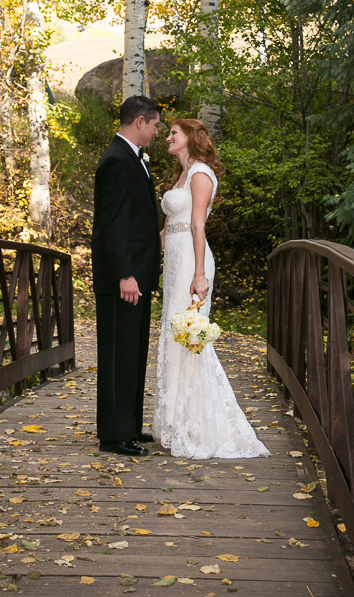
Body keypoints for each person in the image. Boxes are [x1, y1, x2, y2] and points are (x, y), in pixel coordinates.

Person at [153, 118, 271, 459]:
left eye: (174, 132)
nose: (168, 137)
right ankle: (176, 422)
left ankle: (200, 426)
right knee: (173, 337)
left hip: (192, 261)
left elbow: (197, 224)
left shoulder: (201, 173)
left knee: (190, 339)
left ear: (189, 137)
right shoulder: (180, 175)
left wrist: (200, 274)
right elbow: (169, 227)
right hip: (174, 262)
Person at [91, 95, 162, 457]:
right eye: (154, 125)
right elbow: (114, 225)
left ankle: (130, 426)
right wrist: (125, 274)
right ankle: (114, 436)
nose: (155, 132)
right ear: (139, 121)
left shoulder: (130, 158)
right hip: (124, 278)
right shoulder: (117, 161)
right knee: (119, 352)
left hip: (137, 274)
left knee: (132, 351)